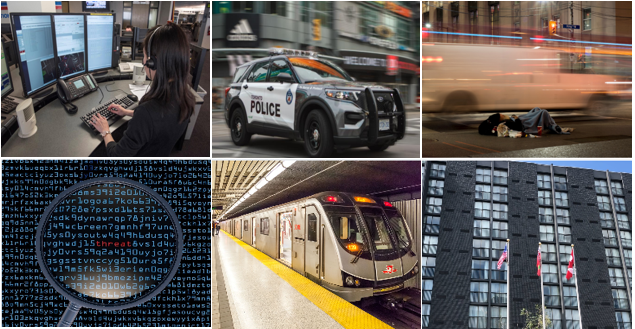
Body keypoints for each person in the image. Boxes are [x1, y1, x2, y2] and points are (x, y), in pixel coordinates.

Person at [91, 22, 195, 156]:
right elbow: (159, 123)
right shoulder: (185, 96)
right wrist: (127, 112)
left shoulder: (147, 112)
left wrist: (105, 130)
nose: (143, 60)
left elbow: (117, 156)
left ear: (152, 62)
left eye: (144, 55)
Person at [478, 108, 574, 136]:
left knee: (536, 109)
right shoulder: (505, 124)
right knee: (543, 112)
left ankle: (553, 126)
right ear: (500, 119)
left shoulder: (505, 121)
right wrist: (515, 118)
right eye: (501, 115)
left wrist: (514, 117)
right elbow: (518, 126)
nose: (503, 114)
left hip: (523, 118)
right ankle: (554, 127)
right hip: (525, 122)